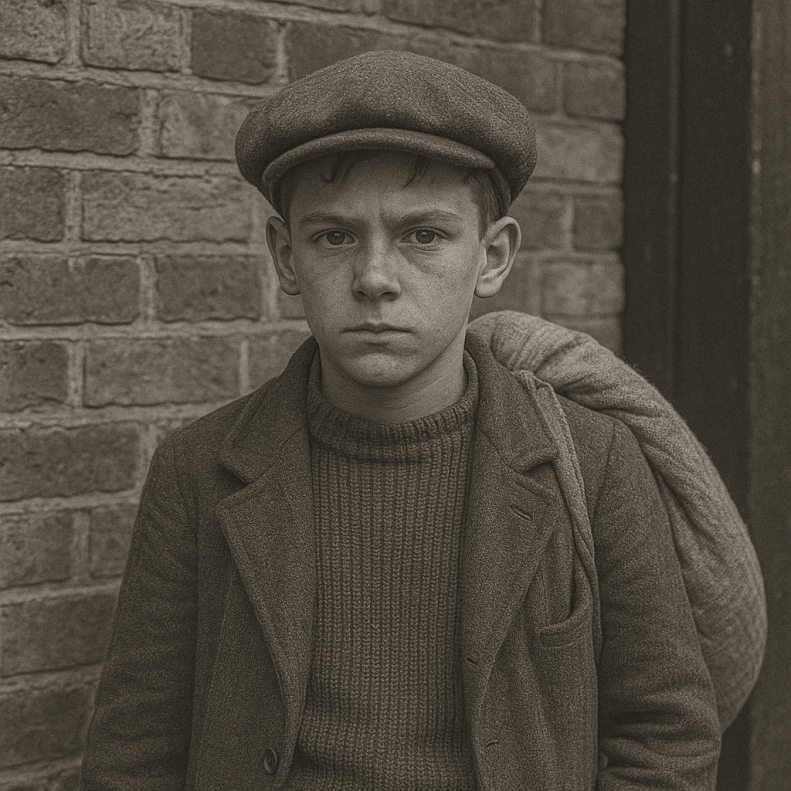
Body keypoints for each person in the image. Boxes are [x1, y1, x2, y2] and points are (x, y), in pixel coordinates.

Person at [79, 50, 721, 790]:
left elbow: (667, 732)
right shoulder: (200, 470)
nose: (375, 277)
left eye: (423, 235)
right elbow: (133, 755)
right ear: (285, 257)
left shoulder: (589, 457)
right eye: (334, 236)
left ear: (492, 255)